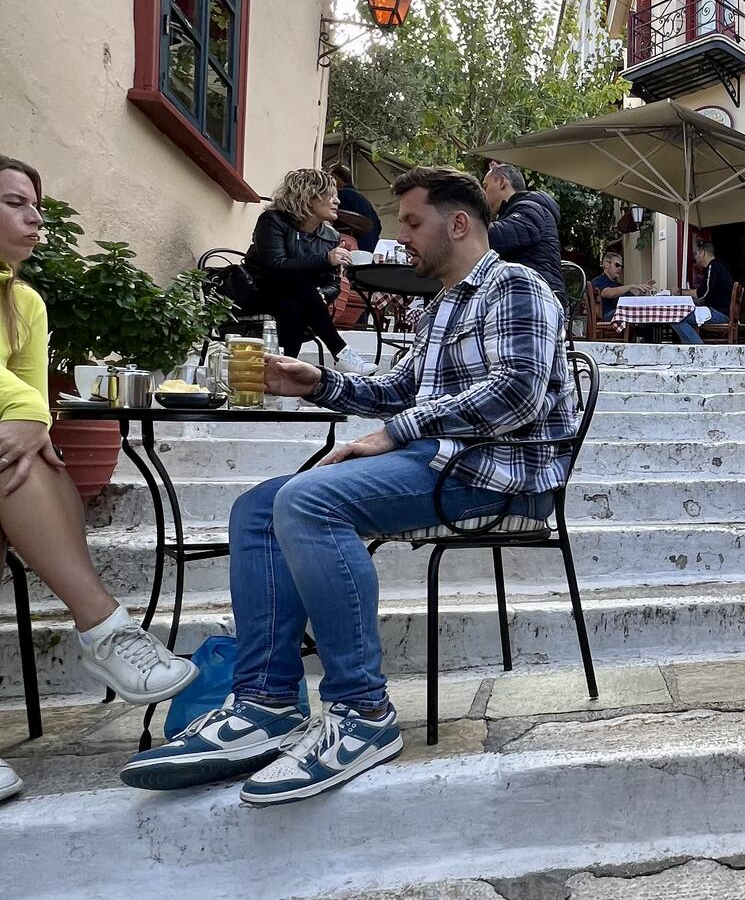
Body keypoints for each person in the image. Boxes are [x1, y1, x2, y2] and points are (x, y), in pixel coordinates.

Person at [122, 167, 578, 805]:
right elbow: (400, 388)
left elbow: (517, 393)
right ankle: (266, 703)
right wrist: (317, 382)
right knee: (257, 508)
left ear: (458, 223)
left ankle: (362, 712)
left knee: (307, 501)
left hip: (499, 474)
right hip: (443, 461)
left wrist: (396, 433)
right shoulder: (445, 303)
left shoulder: (517, 287)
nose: (402, 237)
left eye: (412, 222)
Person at [0, 154, 198, 802]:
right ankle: (105, 630)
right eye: (14, 203)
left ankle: (106, 632)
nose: (34, 218)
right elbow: (23, 401)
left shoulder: (24, 302)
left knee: (27, 461)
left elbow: (30, 394)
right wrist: (29, 418)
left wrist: (34, 425)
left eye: (36, 205)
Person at [245, 169, 370, 370]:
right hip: (258, 293)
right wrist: (326, 259)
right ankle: (339, 350)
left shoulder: (330, 236)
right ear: (308, 196)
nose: (337, 201)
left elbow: (333, 284)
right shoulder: (273, 220)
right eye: (330, 195)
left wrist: (320, 294)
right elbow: (274, 264)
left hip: (300, 300)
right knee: (294, 280)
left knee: (292, 306)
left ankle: (282, 370)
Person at [483, 163, 565, 304]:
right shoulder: (519, 210)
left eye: (485, 186)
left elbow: (498, 236)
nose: (483, 194)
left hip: (537, 296)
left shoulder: (530, 207)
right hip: (526, 291)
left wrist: (468, 226)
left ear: (502, 181)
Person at [674, 241, 734, 344]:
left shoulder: (713, 267)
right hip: (724, 311)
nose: (695, 257)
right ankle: (694, 346)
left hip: (720, 313)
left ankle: (698, 348)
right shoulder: (721, 266)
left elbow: (702, 294)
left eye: (696, 254)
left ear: (703, 253)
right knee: (680, 317)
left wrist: (681, 292)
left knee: (676, 316)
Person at [329, 162, 382, 250]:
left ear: (336, 179)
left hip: (353, 249)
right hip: (371, 249)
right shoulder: (363, 199)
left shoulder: (341, 196)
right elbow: (378, 225)